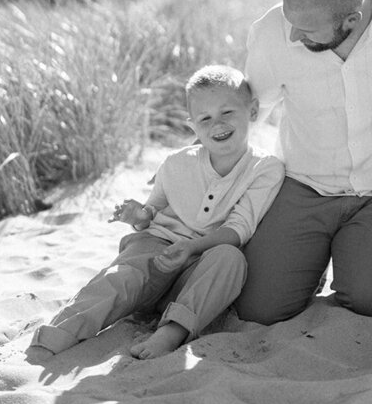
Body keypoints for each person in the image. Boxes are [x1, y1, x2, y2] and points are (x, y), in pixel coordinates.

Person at [27, 65, 284, 361]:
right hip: (153, 255)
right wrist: (138, 216)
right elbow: (152, 211)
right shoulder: (176, 162)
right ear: (193, 126)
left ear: (252, 110)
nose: (217, 124)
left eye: (227, 113)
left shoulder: (265, 169)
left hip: (194, 272)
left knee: (230, 259)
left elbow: (241, 227)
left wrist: (191, 247)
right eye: (205, 118)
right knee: (119, 279)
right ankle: (59, 334)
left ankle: (171, 332)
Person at [235, 0, 372, 324]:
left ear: (351, 19)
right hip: (303, 184)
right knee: (259, 309)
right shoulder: (274, 31)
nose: (292, 34)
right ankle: (312, 261)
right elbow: (248, 108)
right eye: (291, 22)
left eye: (305, 31)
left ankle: (349, 256)